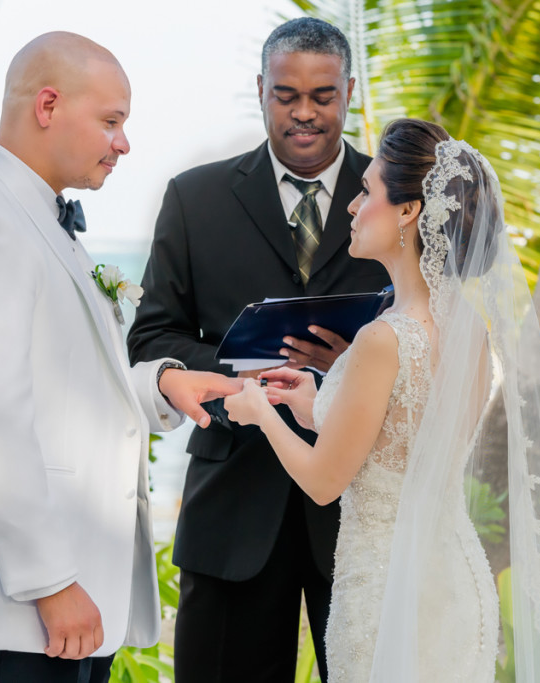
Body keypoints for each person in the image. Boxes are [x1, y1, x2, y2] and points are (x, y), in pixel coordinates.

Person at [0, 32, 240, 683]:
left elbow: (69, 387)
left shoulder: (40, 222)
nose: (124, 144)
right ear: (48, 105)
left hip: (67, 599)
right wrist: (50, 582)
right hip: (17, 604)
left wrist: (163, 384)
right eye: (111, 121)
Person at [225, 119, 540, 681]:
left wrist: (259, 414)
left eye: (366, 190)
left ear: (408, 211)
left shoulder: (383, 338)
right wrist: (312, 406)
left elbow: (325, 483)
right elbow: (405, 441)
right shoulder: (469, 329)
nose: (351, 206)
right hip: (453, 580)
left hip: (386, 590)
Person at [126, 17, 389, 683]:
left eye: (323, 96)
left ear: (350, 90)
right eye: (285, 95)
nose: (304, 114)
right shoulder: (194, 198)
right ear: (261, 90)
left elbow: (423, 331)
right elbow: (154, 336)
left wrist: (346, 372)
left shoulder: (392, 197)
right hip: (232, 502)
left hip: (361, 510)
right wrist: (245, 372)